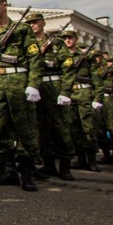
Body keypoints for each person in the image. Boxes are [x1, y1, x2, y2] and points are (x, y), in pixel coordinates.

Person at [0, 0, 43, 192]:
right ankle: (8, 170)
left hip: (19, 81)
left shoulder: (22, 29)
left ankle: (27, 174)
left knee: (25, 128)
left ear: (4, 5)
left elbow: (34, 58)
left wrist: (33, 84)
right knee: (0, 129)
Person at [26, 13, 76, 181]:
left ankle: (65, 166)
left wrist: (65, 91)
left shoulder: (57, 43)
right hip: (35, 86)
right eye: (30, 23)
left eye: (35, 22)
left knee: (60, 125)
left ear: (43, 23)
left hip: (53, 85)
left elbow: (68, 69)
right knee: (40, 126)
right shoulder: (27, 43)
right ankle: (48, 163)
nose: (32, 25)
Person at [59, 31, 104, 172]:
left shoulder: (86, 57)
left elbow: (96, 78)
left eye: (70, 38)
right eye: (65, 38)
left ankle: (92, 160)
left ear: (76, 39)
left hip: (84, 93)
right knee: (74, 128)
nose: (67, 40)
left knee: (88, 127)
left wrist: (98, 98)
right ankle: (80, 159)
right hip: (68, 94)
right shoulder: (61, 56)